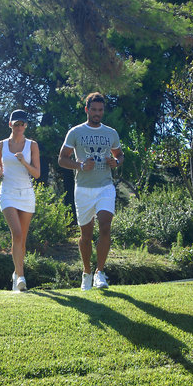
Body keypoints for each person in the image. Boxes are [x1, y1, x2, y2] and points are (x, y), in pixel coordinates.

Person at [58, 92, 124, 290]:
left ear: (103, 111)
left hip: (105, 186)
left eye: (100, 110)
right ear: (87, 110)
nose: (97, 113)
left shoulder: (111, 133)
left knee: (105, 226)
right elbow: (62, 159)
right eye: (93, 110)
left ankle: (100, 273)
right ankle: (86, 272)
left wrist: (116, 162)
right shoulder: (75, 132)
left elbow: (120, 155)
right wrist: (79, 165)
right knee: (86, 236)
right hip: (83, 189)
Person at [0, 109, 41, 292]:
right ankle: (21, 277)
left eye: (22, 124)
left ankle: (16, 274)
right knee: (17, 233)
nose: (19, 127)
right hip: (7, 193)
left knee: (22, 239)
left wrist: (24, 162)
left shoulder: (32, 145)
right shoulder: (1, 145)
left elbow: (37, 174)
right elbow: (1, 166)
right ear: (10, 124)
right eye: (16, 123)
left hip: (26, 194)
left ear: (26, 125)